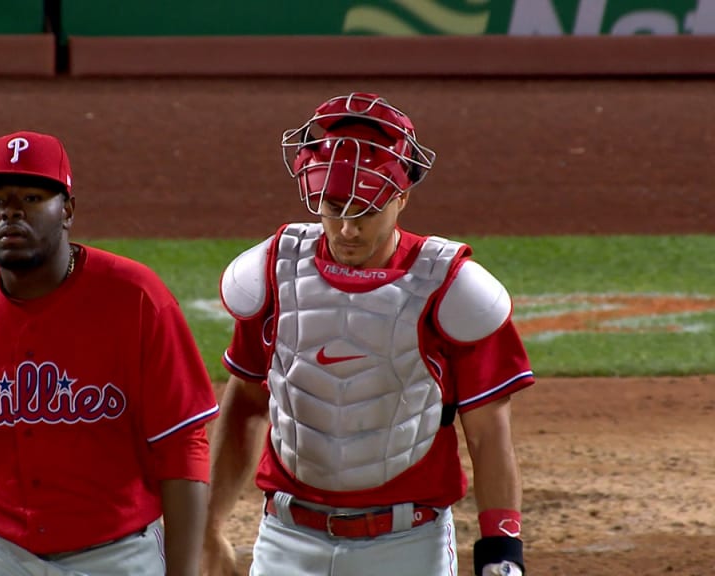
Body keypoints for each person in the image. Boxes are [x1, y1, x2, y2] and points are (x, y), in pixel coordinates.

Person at [202, 93, 534, 576]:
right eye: (333, 207)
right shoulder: (273, 272)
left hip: (407, 546)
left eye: (366, 210)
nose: (347, 229)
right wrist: (210, 526)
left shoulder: (452, 288)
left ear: (401, 197)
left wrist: (502, 553)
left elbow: (488, 436)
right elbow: (247, 405)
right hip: (286, 538)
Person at [0, 130, 220, 576]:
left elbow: (181, 446)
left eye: (32, 197)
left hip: (114, 554)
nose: (12, 213)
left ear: (69, 211)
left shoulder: (136, 300)